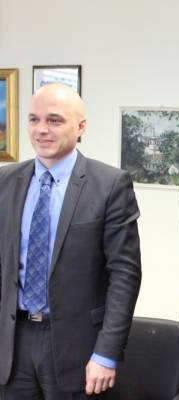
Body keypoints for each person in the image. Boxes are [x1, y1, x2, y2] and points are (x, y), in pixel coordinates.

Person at [0, 83, 142, 399]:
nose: (41, 129)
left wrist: (106, 353)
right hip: (12, 345)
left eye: (54, 120)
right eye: (34, 119)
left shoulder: (110, 185)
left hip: (77, 348)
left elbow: (125, 275)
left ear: (81, 127)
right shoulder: (6, 181)